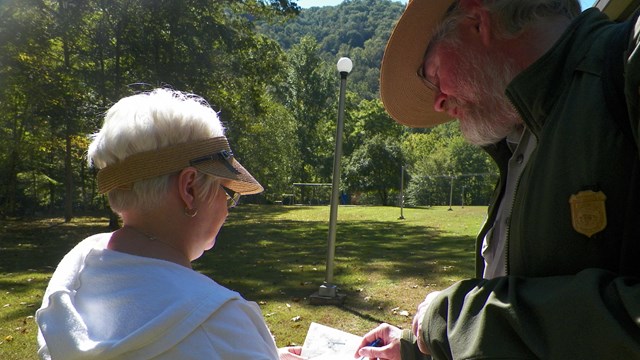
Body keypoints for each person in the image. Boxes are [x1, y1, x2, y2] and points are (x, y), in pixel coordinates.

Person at [355, 0, 640, 359]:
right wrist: (420, 348)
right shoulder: (523, 139)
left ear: (476, 22)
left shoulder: (628, 63)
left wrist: (453, 321)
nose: (438, 103)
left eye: (432, 75)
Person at [35, 88, 303, 359]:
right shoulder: (222, 322)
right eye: (226, 191)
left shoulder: (74, 280)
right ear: (189, 189)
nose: (227, 207)